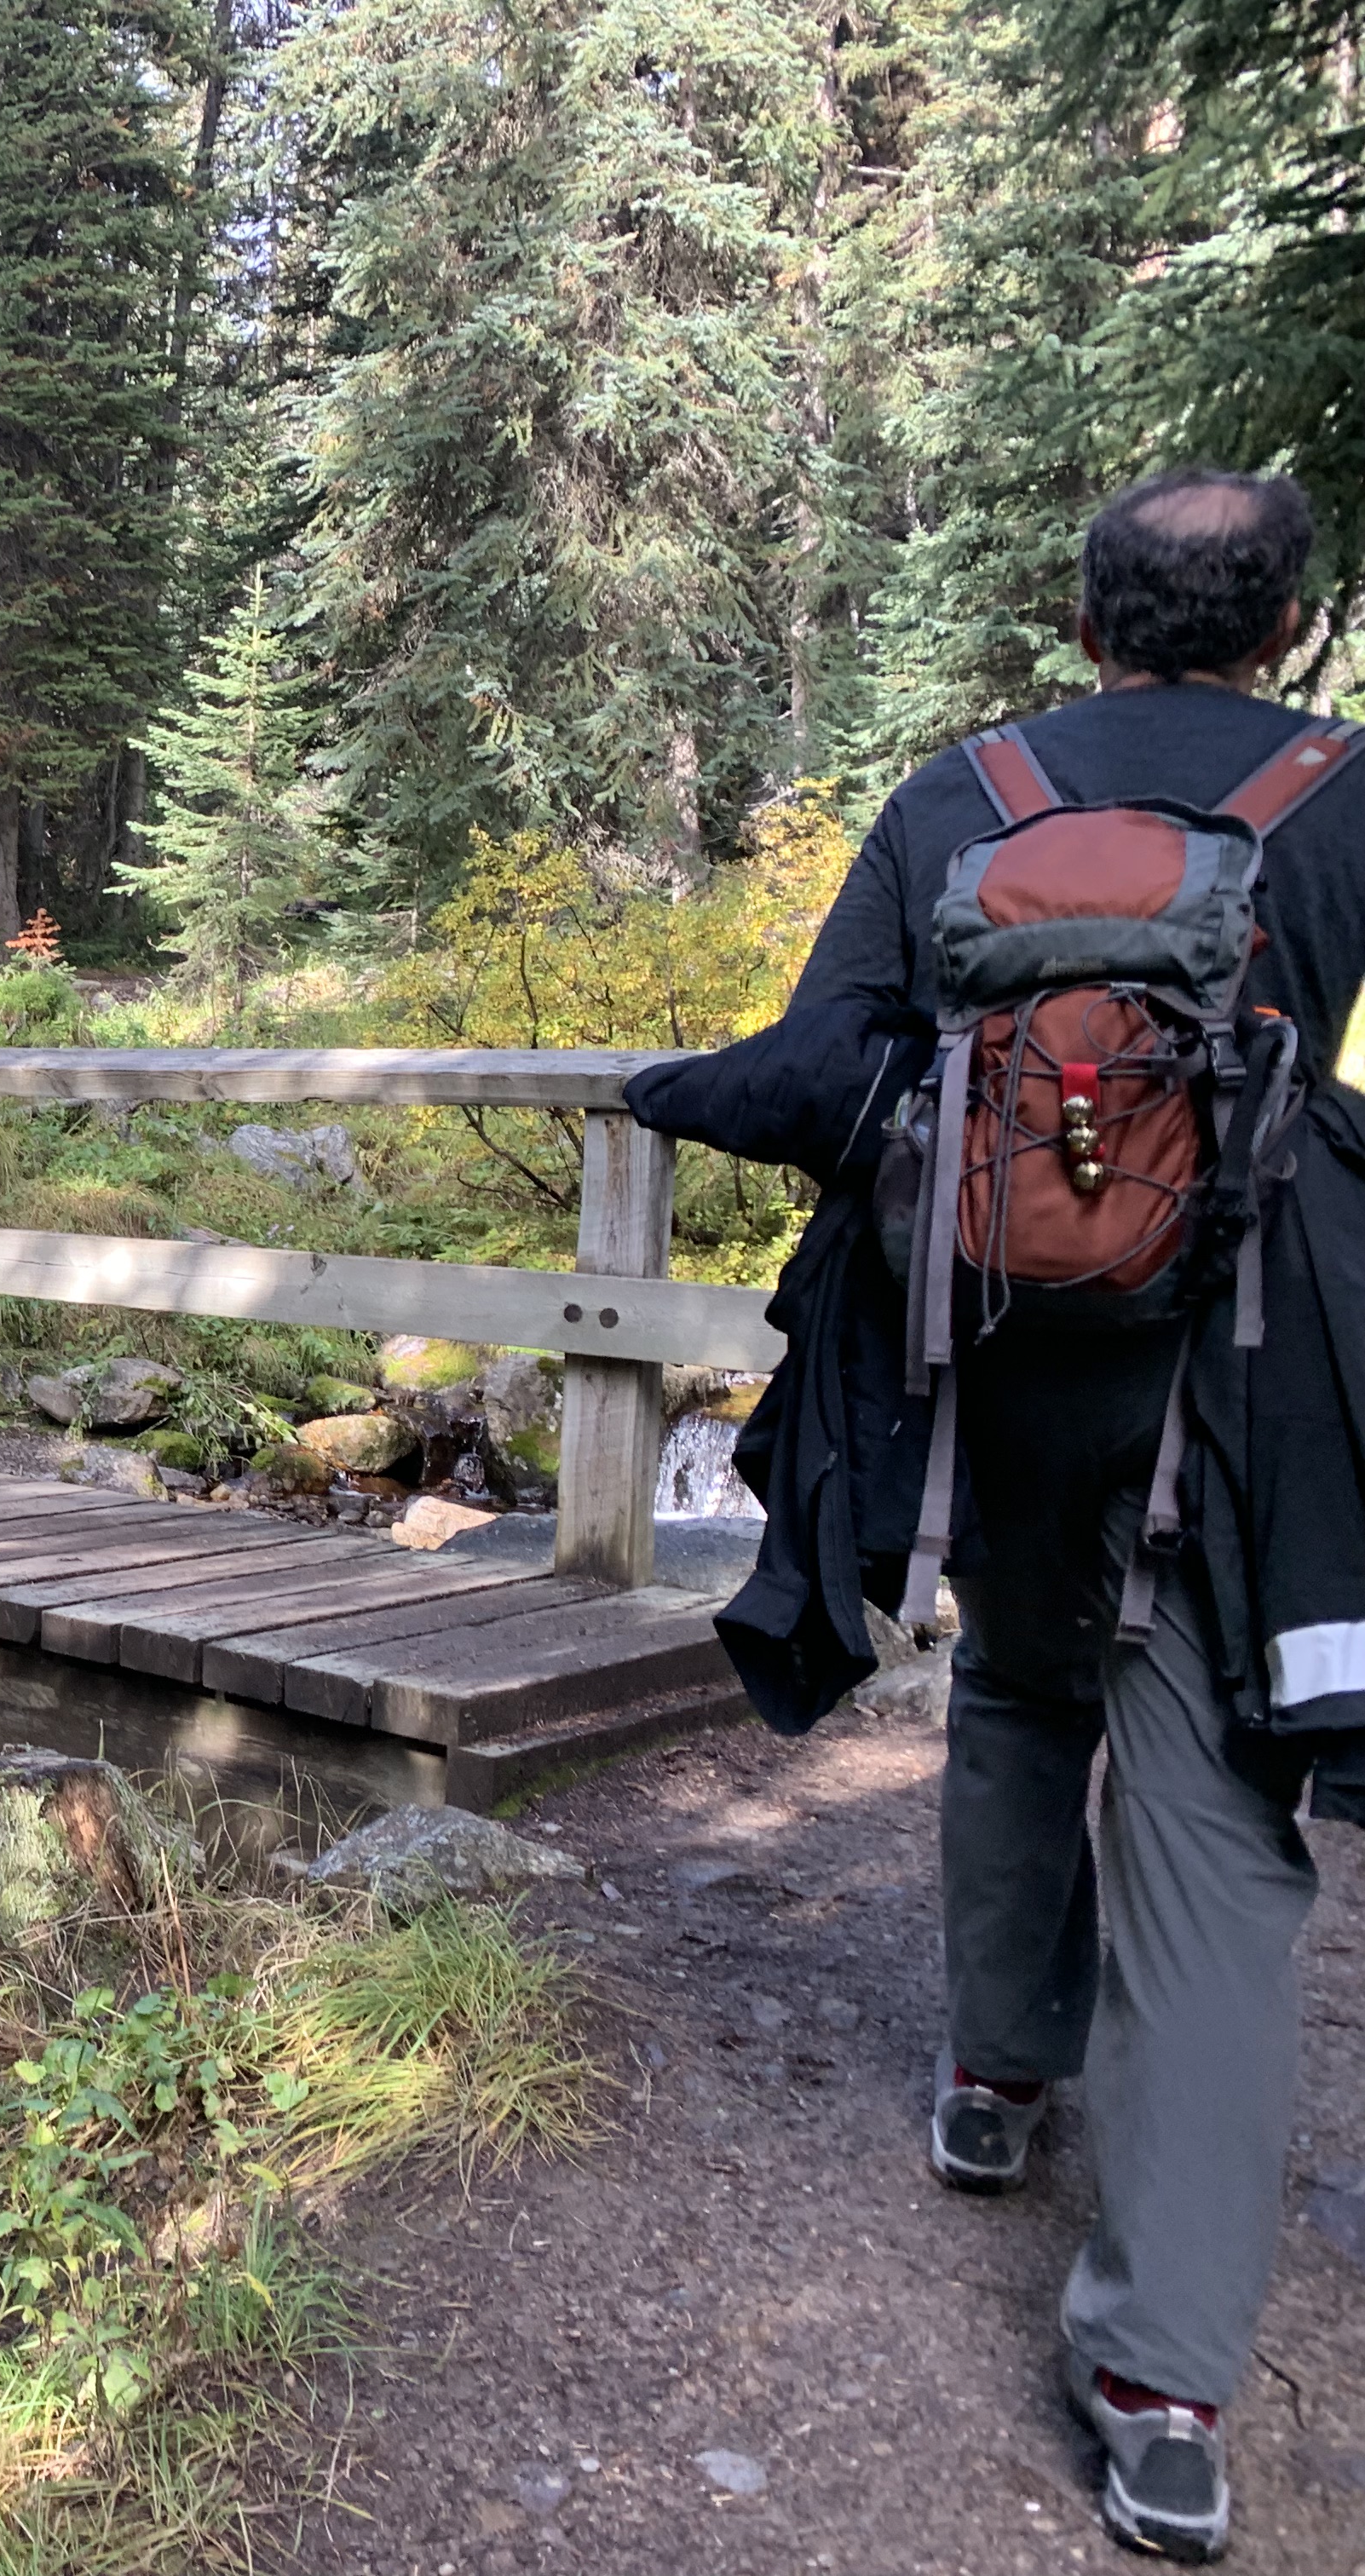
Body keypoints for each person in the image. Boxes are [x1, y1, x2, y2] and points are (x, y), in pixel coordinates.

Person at [784, 467, 1355, 2563]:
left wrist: (672, 1099)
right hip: (1259, 1395)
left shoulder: (970, 792)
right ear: (1285, 623)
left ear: (1086, 616)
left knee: (1023, 1706)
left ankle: (995, 2085)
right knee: (1219, 1834)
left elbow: (819, 1062)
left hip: (1014, 1372)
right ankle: (1165, 2386)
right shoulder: (1342, 795)